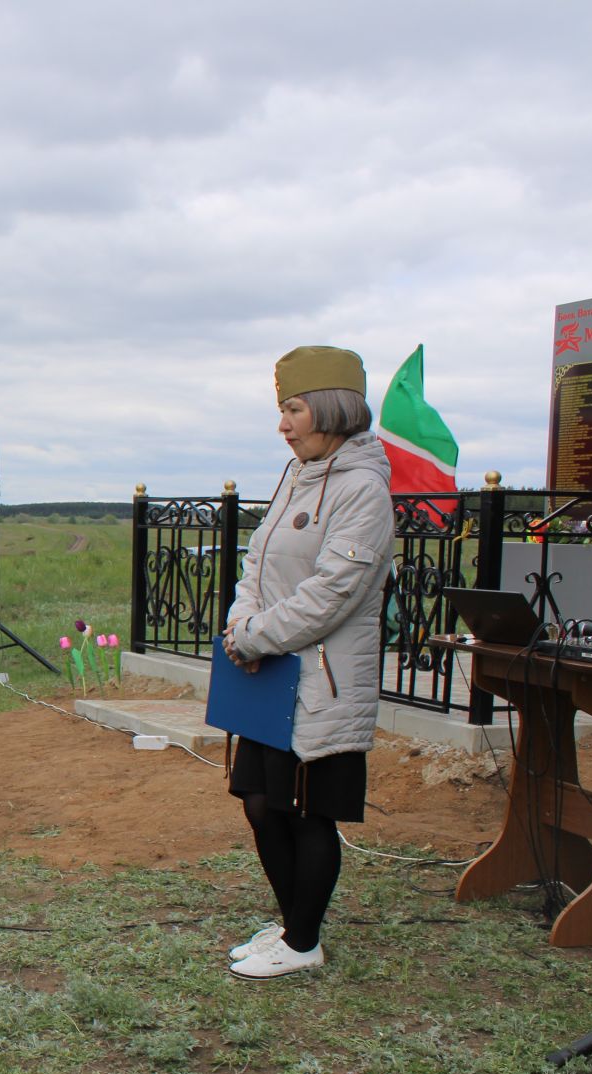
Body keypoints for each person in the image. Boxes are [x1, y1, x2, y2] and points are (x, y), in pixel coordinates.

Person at [221, 346, 394, 979]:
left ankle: (303, 942)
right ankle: (291, 921)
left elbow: (331, 594)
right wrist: (243, 624)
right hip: (272, 675)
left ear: (329, 407)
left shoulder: (363, 490)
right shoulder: (297, 475)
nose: (283, 424)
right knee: (261, 804)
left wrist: (254, 637)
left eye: (292, 409)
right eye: (281, 410)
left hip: (321, 682)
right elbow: (258, 566)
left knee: (305, 810)